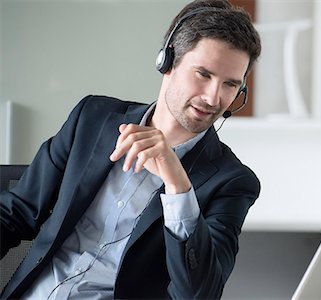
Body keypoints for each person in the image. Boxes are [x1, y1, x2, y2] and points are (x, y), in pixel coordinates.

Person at [0, 0, 261, 299]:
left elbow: (199, 293)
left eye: (230, 84)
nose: (214, 98)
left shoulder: (232, 182)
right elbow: (16, 212)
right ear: (167, 62)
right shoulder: (93, 118)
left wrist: (179, 189)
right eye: (203, 74)